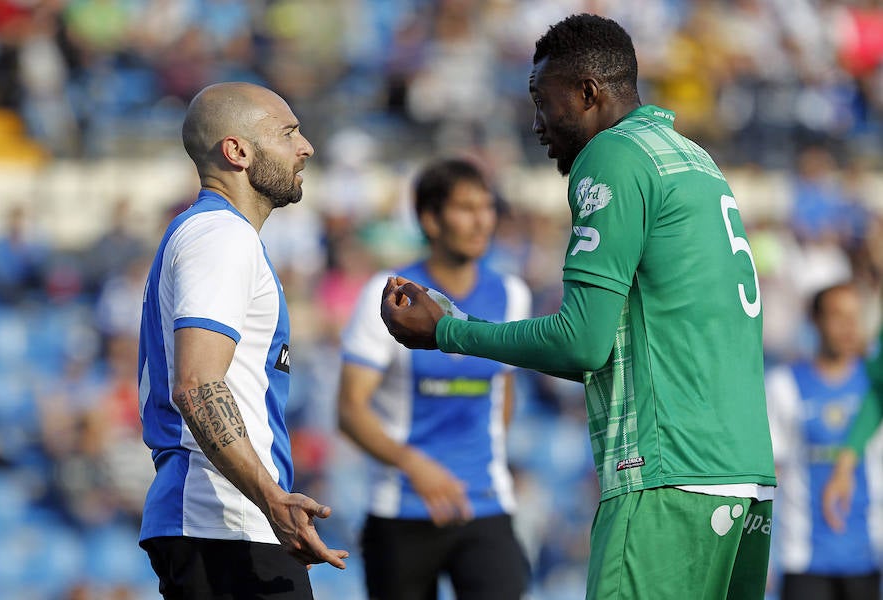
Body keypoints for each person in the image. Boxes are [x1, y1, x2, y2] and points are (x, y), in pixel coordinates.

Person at [380, 13, 776, 599]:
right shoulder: (694, 159)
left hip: (665, 472)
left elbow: (581, 342)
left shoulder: (613, 156)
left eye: (544, 101)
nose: (537, 124)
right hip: (746, 477)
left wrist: (450, 331)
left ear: (588, 93)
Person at [137, 81, 348, 600]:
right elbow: (196, 383)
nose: (306, 147)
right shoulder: (221, 237)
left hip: (218, 523)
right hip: (226, 522)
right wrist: (272, 499)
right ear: (237, 151)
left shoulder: (212, 235)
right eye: (289, 133)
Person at [337, 158, 531, 600]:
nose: (482, 220)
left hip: (484, 503)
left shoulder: (512, 293)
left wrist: (489, 454)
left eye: (486, 207)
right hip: (402, 507)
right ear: (430, 219)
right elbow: (350, 409)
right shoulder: (390, 296)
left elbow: (505, 390)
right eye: (465, 208)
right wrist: (416, 467)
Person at [767, 283, 882, 600]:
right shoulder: (784, 385)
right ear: (814, 321)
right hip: (803, 559)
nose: (848, 327)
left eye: (854, 317)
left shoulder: (876, 387)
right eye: (837, 316)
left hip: (866, 558)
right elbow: (767, 474)